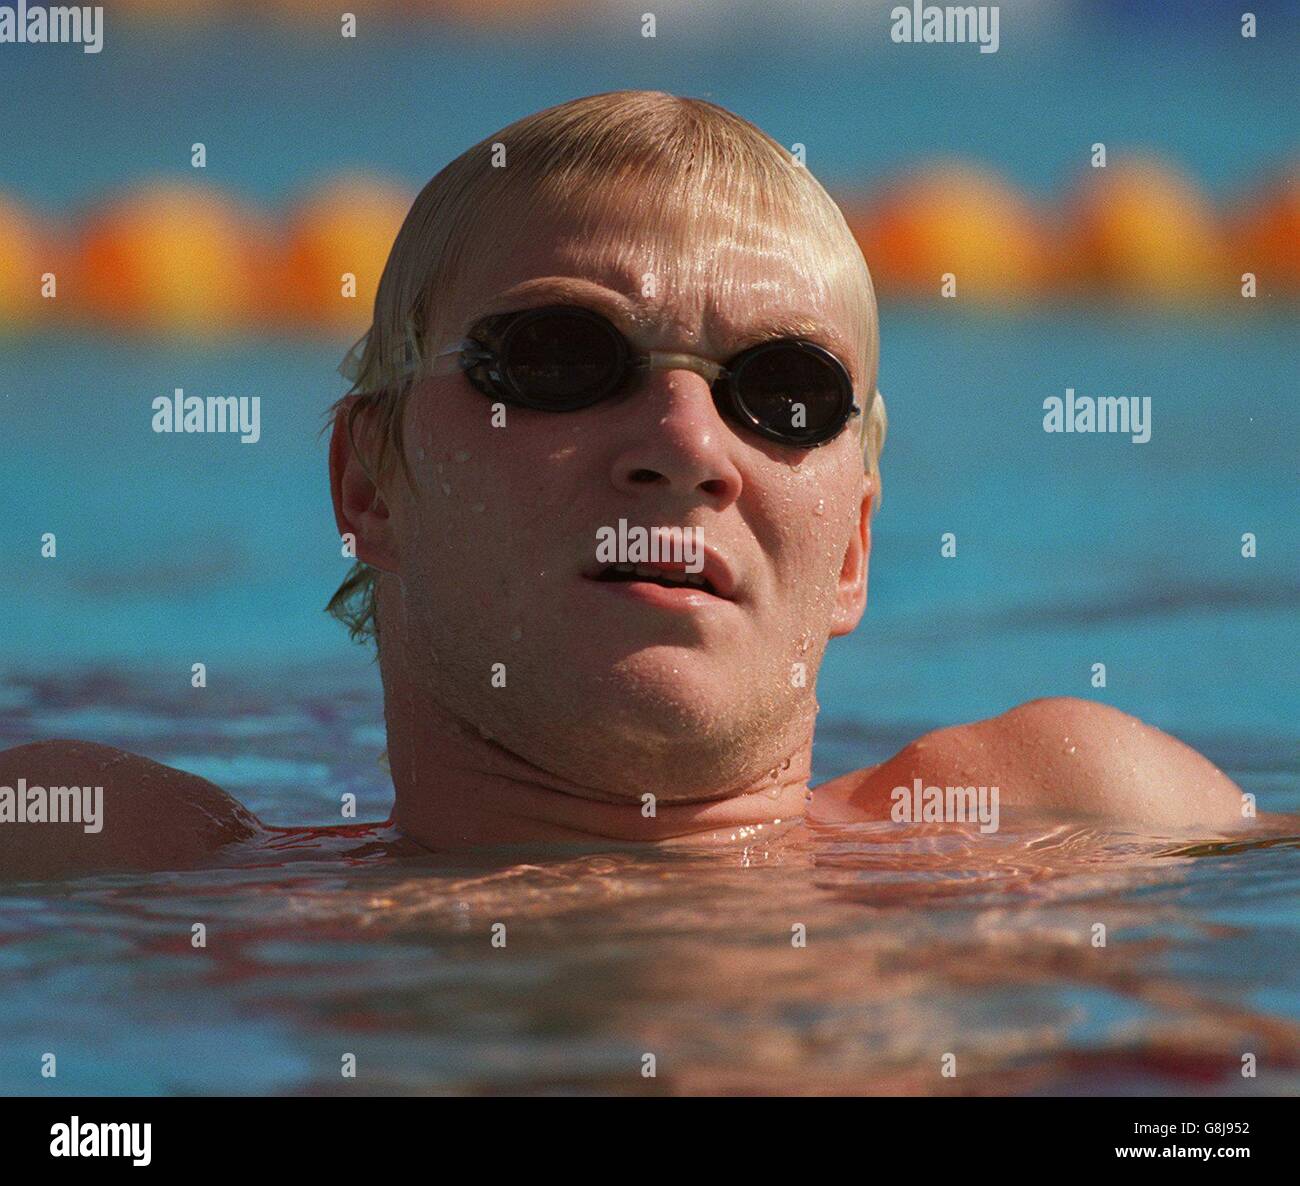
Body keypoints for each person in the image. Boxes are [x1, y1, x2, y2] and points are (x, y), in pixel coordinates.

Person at [0, 91, 1252, 881]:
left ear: (857, 550)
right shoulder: (101, 862)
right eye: (559, 359)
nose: (685, 442)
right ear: (368, 481)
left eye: (783, 390)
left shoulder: (1079, 824)